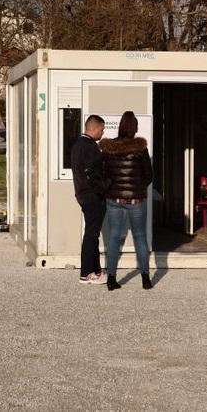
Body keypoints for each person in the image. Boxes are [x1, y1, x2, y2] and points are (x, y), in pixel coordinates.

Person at [99, 111, 154, 291]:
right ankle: (146, 279)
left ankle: (111, 279)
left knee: (114, 236)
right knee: (140, 236)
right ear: (134, 128)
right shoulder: (141, 149)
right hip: (136, 200)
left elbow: (104, 173)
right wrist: (137, 188)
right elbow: (149, 176)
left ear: (121, 126)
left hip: (114, 199)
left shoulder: (108, 148)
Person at [70, 115, 108, 285]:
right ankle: (86, 274)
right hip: (93, 196)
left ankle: (96, 270)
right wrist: (104, 188)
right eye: (102, 129)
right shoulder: (91, 147)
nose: (103, 132)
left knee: (93, 234)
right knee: (91, 235)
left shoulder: (77, 145)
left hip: (82, 194)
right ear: (93, 128)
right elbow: (94, 174)